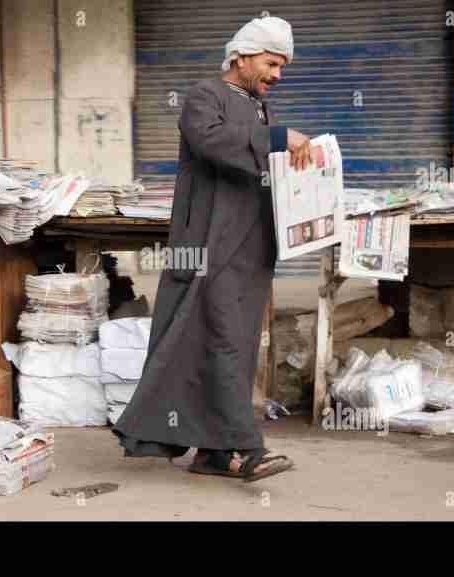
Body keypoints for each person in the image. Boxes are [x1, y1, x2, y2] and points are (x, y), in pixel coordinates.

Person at [111, 16, 313, 482]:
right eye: (270, 63)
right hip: (208, 244)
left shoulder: (258, 106)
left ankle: (213, 454)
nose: (276, 75)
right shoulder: (205, 96)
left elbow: (258, 166)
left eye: (281, 67)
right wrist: (280, 139)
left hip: (250, 247)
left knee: (235, 345)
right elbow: (214, 144)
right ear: (241, 57)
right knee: (221, 339)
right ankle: (248, 447)